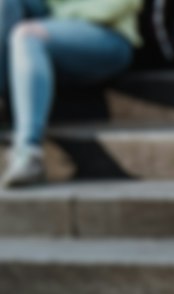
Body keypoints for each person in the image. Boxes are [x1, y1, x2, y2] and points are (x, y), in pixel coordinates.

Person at [0, 0, 142, 189]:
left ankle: (28, 152)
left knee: (26, 35)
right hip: (55, 23)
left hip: (108, 33)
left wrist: (58, 20)